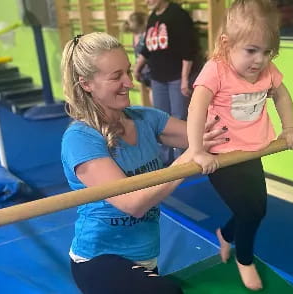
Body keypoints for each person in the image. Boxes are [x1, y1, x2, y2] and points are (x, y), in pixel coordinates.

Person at [60, 32, 228, 294]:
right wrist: (190, 156)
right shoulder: (80, 139)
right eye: (116, 76)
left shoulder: (145, 118)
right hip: (99, 260)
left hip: (146, 258)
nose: (129, 82)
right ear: (86, 84)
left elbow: (209, 136)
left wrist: (240, 93)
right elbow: (133, 203)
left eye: (128, 71)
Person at [186, 0, 293, 291]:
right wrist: (198, 150)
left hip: (250, 151)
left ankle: (225, 234)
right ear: (227, 45)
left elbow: (282, 95)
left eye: (267, 52)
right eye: (251, 50)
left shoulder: (266, 71)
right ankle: (245, 259)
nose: (260, 60)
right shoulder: (217, 69)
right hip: (222, 155)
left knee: (258, 209)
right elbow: (197, 106)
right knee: (249, 211)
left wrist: (289, 129)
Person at [133, 0, 201, 166]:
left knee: (179, 118)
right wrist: (138, 67)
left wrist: (185, 78)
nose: (147, 0)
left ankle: (184, 159)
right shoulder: (153, 17)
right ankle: (164, 157)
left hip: (176, 77)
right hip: (158, 77)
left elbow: (188, 49)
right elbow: (147, 47)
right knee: (161, 120)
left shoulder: (177, 15)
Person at [122, 11, 153, 105]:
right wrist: (136, 69)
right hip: (146, 69)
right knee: (153, 91)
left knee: (151, 90)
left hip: (142, 71)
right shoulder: (145, 35)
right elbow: (143, 57)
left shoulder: (135, 36)